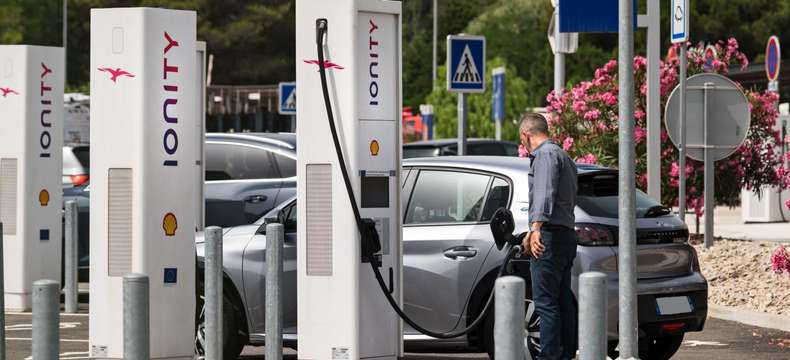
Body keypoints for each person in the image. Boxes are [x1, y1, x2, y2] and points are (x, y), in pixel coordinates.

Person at [519, 113, 578, 360]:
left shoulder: (544, 155)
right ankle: (566, 354)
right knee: (563, 299)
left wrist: (535, 229)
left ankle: (550, 357)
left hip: (549, 237)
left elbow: (544, 194)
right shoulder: (564, 156)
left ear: (526, 135)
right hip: (566, 235)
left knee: (546, 303)